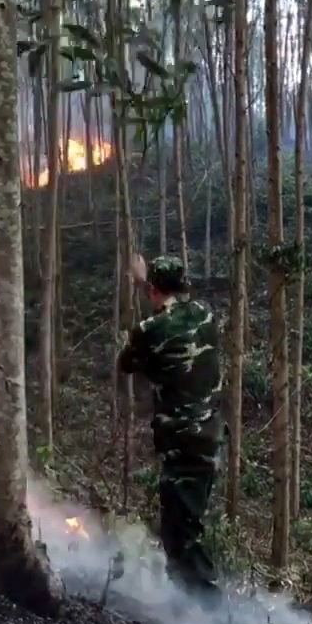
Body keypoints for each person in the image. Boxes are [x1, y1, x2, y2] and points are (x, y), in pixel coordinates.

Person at [117, 254, 223, 599]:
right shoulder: (207, 316)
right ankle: (189, 603)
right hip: (208, 436)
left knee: (181, 532)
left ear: (152, 290)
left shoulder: (152, 330)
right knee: (185, 523)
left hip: (182, 442)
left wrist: (138, 285)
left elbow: (128, 362)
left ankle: (207, 610)